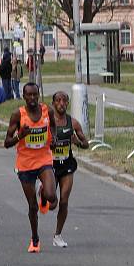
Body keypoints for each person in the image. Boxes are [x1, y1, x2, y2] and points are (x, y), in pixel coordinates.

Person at [4, 82, 58, 253]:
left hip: (44, 159)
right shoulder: (17, 115)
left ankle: (43, 193)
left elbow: (54, 127)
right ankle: (35, 239)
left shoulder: (47, 111)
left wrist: (54, 138)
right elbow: (7, 143)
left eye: (35, 95)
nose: (33, 98)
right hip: (25, 163)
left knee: (51, 196)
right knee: (32, 207)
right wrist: (21, 135)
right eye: (29, 95)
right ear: (24, 96)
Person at [50, 91, 89, 247]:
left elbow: (86, 144)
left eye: (64, 101)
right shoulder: (47, 122)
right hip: (49, 166)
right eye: (58, 101)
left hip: (66, 165)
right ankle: (44, 192)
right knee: (52, 201)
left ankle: (57, 235)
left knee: (64, 201)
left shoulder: (73, 123)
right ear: (53, 104)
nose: (61, 103)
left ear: (68, 103)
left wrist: (77, 142)